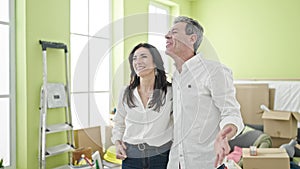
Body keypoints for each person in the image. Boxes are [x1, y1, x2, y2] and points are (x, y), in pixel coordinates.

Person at [164, 16, 244, 169]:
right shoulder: (175, 77)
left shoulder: (215, 71)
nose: (167, 36)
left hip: (205, 164)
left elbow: (231, 113)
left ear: (192, 38)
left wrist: (224, 135)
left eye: (174, 32)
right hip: (176, 163)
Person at [111, 43, 173, 169]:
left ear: (155, 63)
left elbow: (179, 122)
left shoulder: (170, 92)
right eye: (134, 58)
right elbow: (118, 122)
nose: (137, 61)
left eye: (143, 56)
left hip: (161, 156)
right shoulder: (126, 92)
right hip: (131, 156)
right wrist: (117, 143)